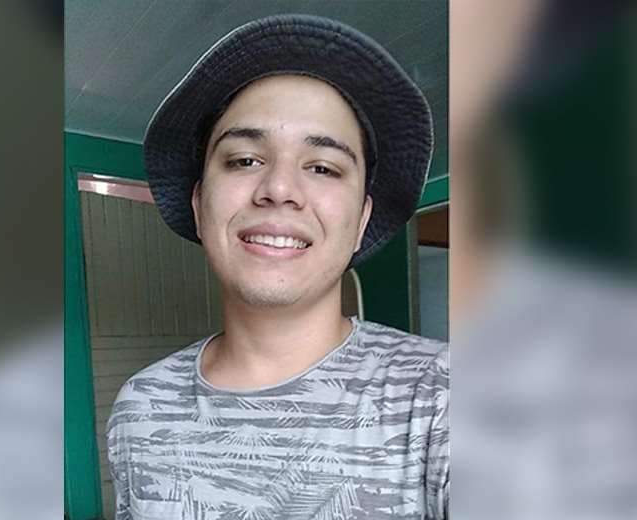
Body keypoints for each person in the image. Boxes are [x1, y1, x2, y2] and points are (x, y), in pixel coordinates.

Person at [108, 14, 448, 520]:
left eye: (323, 167)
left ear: (360, 221)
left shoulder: (441, 398)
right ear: (200, 206)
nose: (280, 189)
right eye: (244, 160)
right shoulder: (139, 406)